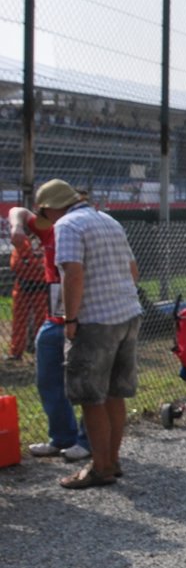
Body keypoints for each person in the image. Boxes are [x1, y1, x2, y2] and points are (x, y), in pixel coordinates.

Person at [50, 181, 144, 488]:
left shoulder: (67, 225)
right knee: (115, 395)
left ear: (52, 207)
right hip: (127, 314)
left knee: (92, 398)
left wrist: (71, 317)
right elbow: (133, 270)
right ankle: (112, 461)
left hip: (95, 320)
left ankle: (100, 468)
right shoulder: (108, 220)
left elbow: (72, 272)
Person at [8, 187, 90, 463]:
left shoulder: (82, 227)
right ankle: (62, 437)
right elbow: (16, 211)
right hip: (54, 319)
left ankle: (87, 440)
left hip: (84, 316)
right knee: (48, 380)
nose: (42, 216)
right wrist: (18, 228)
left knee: (87, 382)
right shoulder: (49, 230)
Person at [8, 215, 49, 359]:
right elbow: (16, 264)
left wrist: (31, 263)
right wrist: (35, 264)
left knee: (42, 321)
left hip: (41, 287)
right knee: (19, 321)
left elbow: (45, 265)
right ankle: (15, 352)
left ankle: (41, 350)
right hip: (23, 285)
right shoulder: (22, 241)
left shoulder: (47, 240)